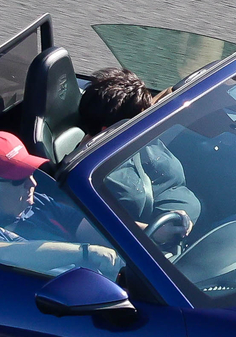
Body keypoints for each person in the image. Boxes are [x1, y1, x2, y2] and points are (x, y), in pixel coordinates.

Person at [0, 133, 120, 275]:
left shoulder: (39, 202)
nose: (33, 184)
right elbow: (6, 254)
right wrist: (85, 252)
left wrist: (140, 236)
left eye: (32, 173)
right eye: (19, 179)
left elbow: (96, 229)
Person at [79, 67, 200, 246]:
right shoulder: (89, 174)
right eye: (140, 121)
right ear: (110, 130)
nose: (148, 125)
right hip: (150, 253)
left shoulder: (138, 141)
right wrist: (151, 233)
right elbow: (84, 229)